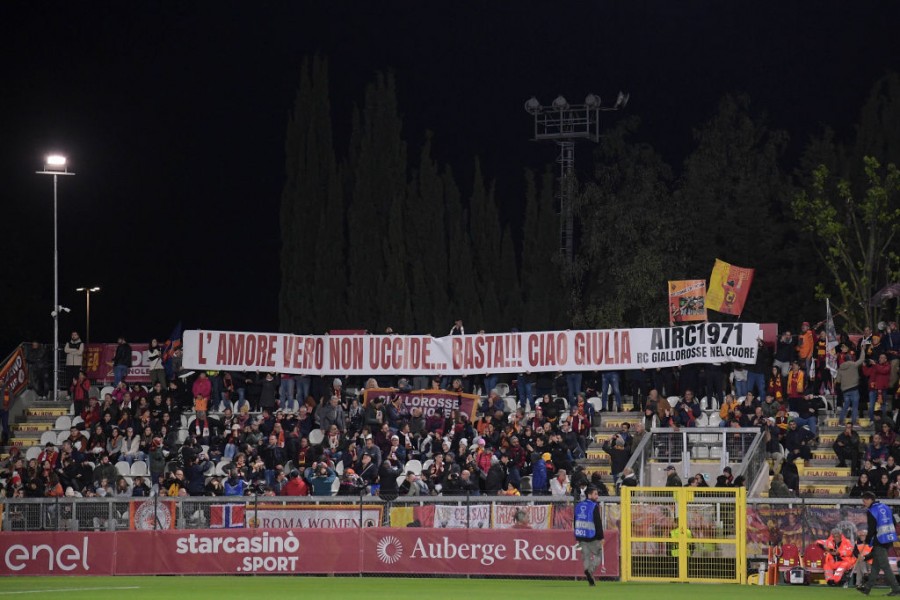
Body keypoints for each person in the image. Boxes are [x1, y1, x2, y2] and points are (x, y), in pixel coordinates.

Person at [859, 491, 900, 595]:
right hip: (889, 539)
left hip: (880, 540)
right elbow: (894, 523)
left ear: (869, 500)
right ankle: (867, 587)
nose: (864, 503)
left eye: (864, 501)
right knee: (876, 565)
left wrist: (867, 541)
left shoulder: (872, 510)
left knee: (885, 566)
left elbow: (871, 529)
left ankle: (896, 589)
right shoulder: (886, 507)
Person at [574, 485, 605, 586]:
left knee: (586, 557)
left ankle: (587, 571)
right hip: (592, 536)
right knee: (598, 555)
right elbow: (597, 522)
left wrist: (577, 536)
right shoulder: (593, 506)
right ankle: (590, 571)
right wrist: (601, 537)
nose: (597, 496)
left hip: (581, 536)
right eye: (595, 494)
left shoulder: (578, 505)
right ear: (589, 495)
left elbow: (575, 521)